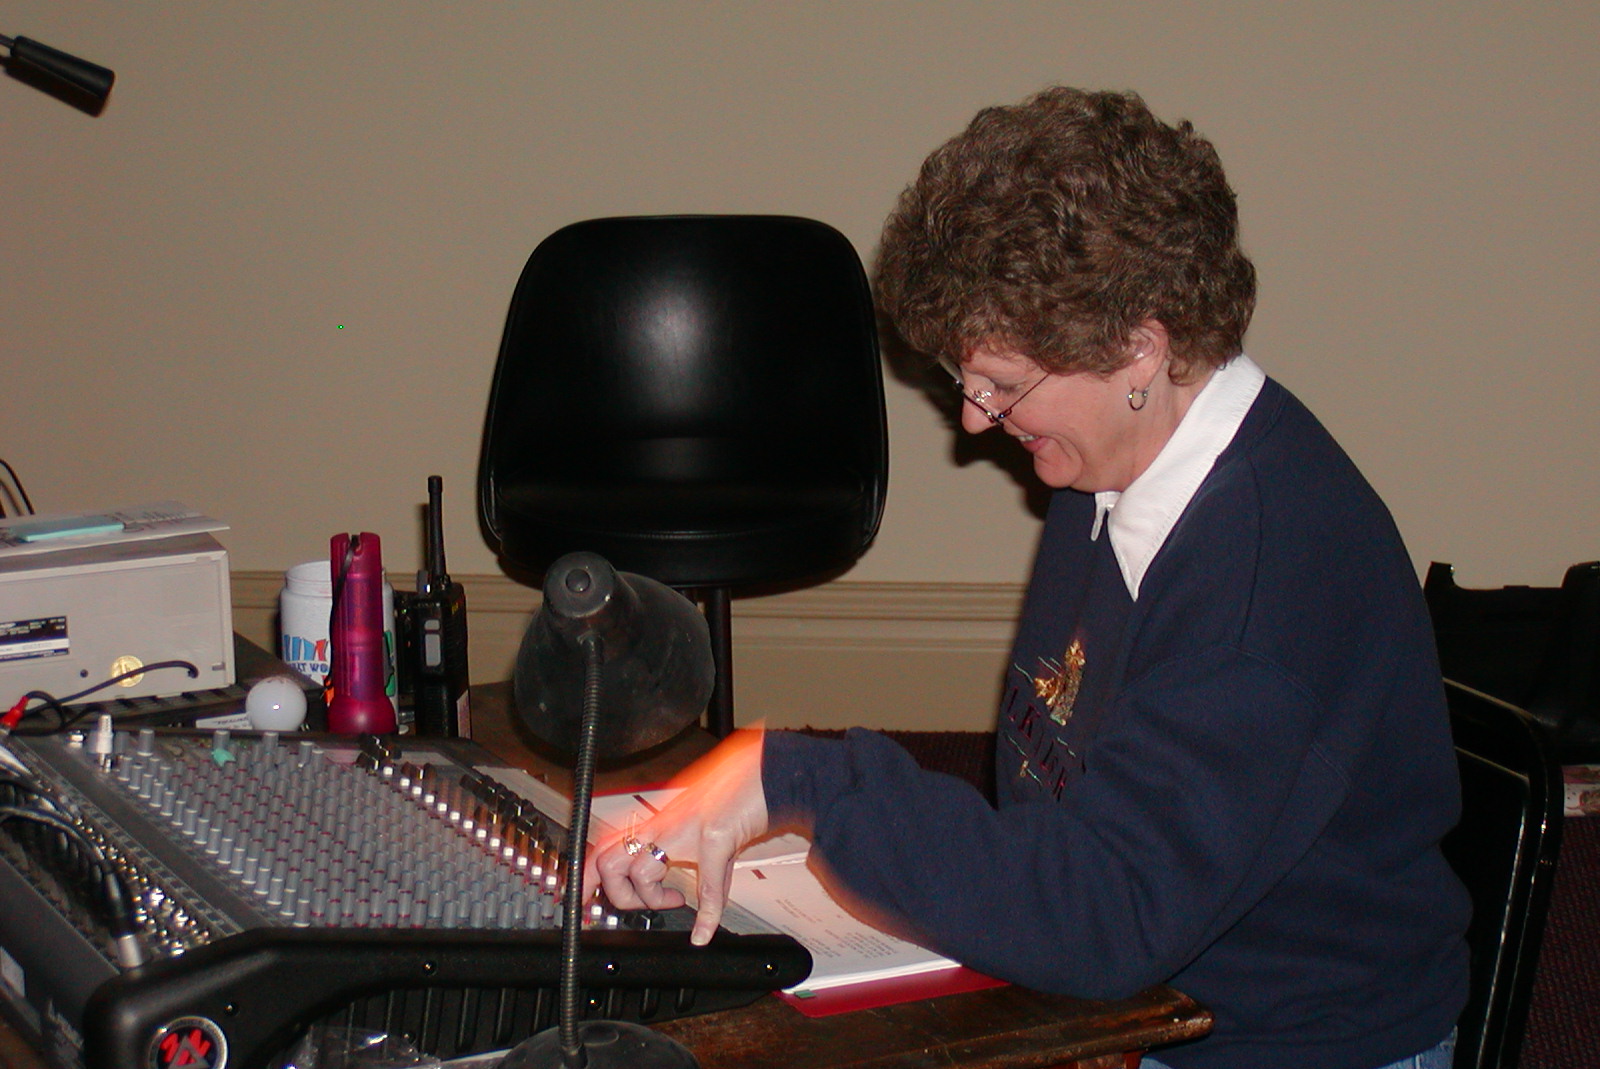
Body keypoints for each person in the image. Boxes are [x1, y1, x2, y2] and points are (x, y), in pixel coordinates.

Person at [592, 87, 1470, 1069]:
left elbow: (1108, 913)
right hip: (1140, 996)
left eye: (1003, 386)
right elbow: (1061, 833)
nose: (974, 419)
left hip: (1278, 1041)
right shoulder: (1110, 468)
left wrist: (809, 782)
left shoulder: (1266, 584)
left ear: (1140, 347)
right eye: (967, 382)